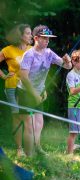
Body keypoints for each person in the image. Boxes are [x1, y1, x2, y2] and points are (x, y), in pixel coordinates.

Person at [17, 25, 72, 156]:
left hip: (39, 92)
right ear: (36, 38)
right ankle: (29, 154)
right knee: (29, 124)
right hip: (25, 92)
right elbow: (23, 77)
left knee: (39, 123)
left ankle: (37, 148)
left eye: (48, 38)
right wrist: (34, 94)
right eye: (44, 38)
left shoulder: (49, 52)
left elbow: (66, 66)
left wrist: (68, 62)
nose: (47, 41)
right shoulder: (29, 55)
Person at [0, 24, 32, 156]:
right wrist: (3, 75)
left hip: (28, 88)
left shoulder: (32, 50)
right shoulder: (8, 50)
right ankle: (19, 149)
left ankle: (31, 148)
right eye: (28, 33)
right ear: (20, 36)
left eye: (31, 33)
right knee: (17, 117)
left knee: (29, 117)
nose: (30, 36)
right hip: (12, 87)